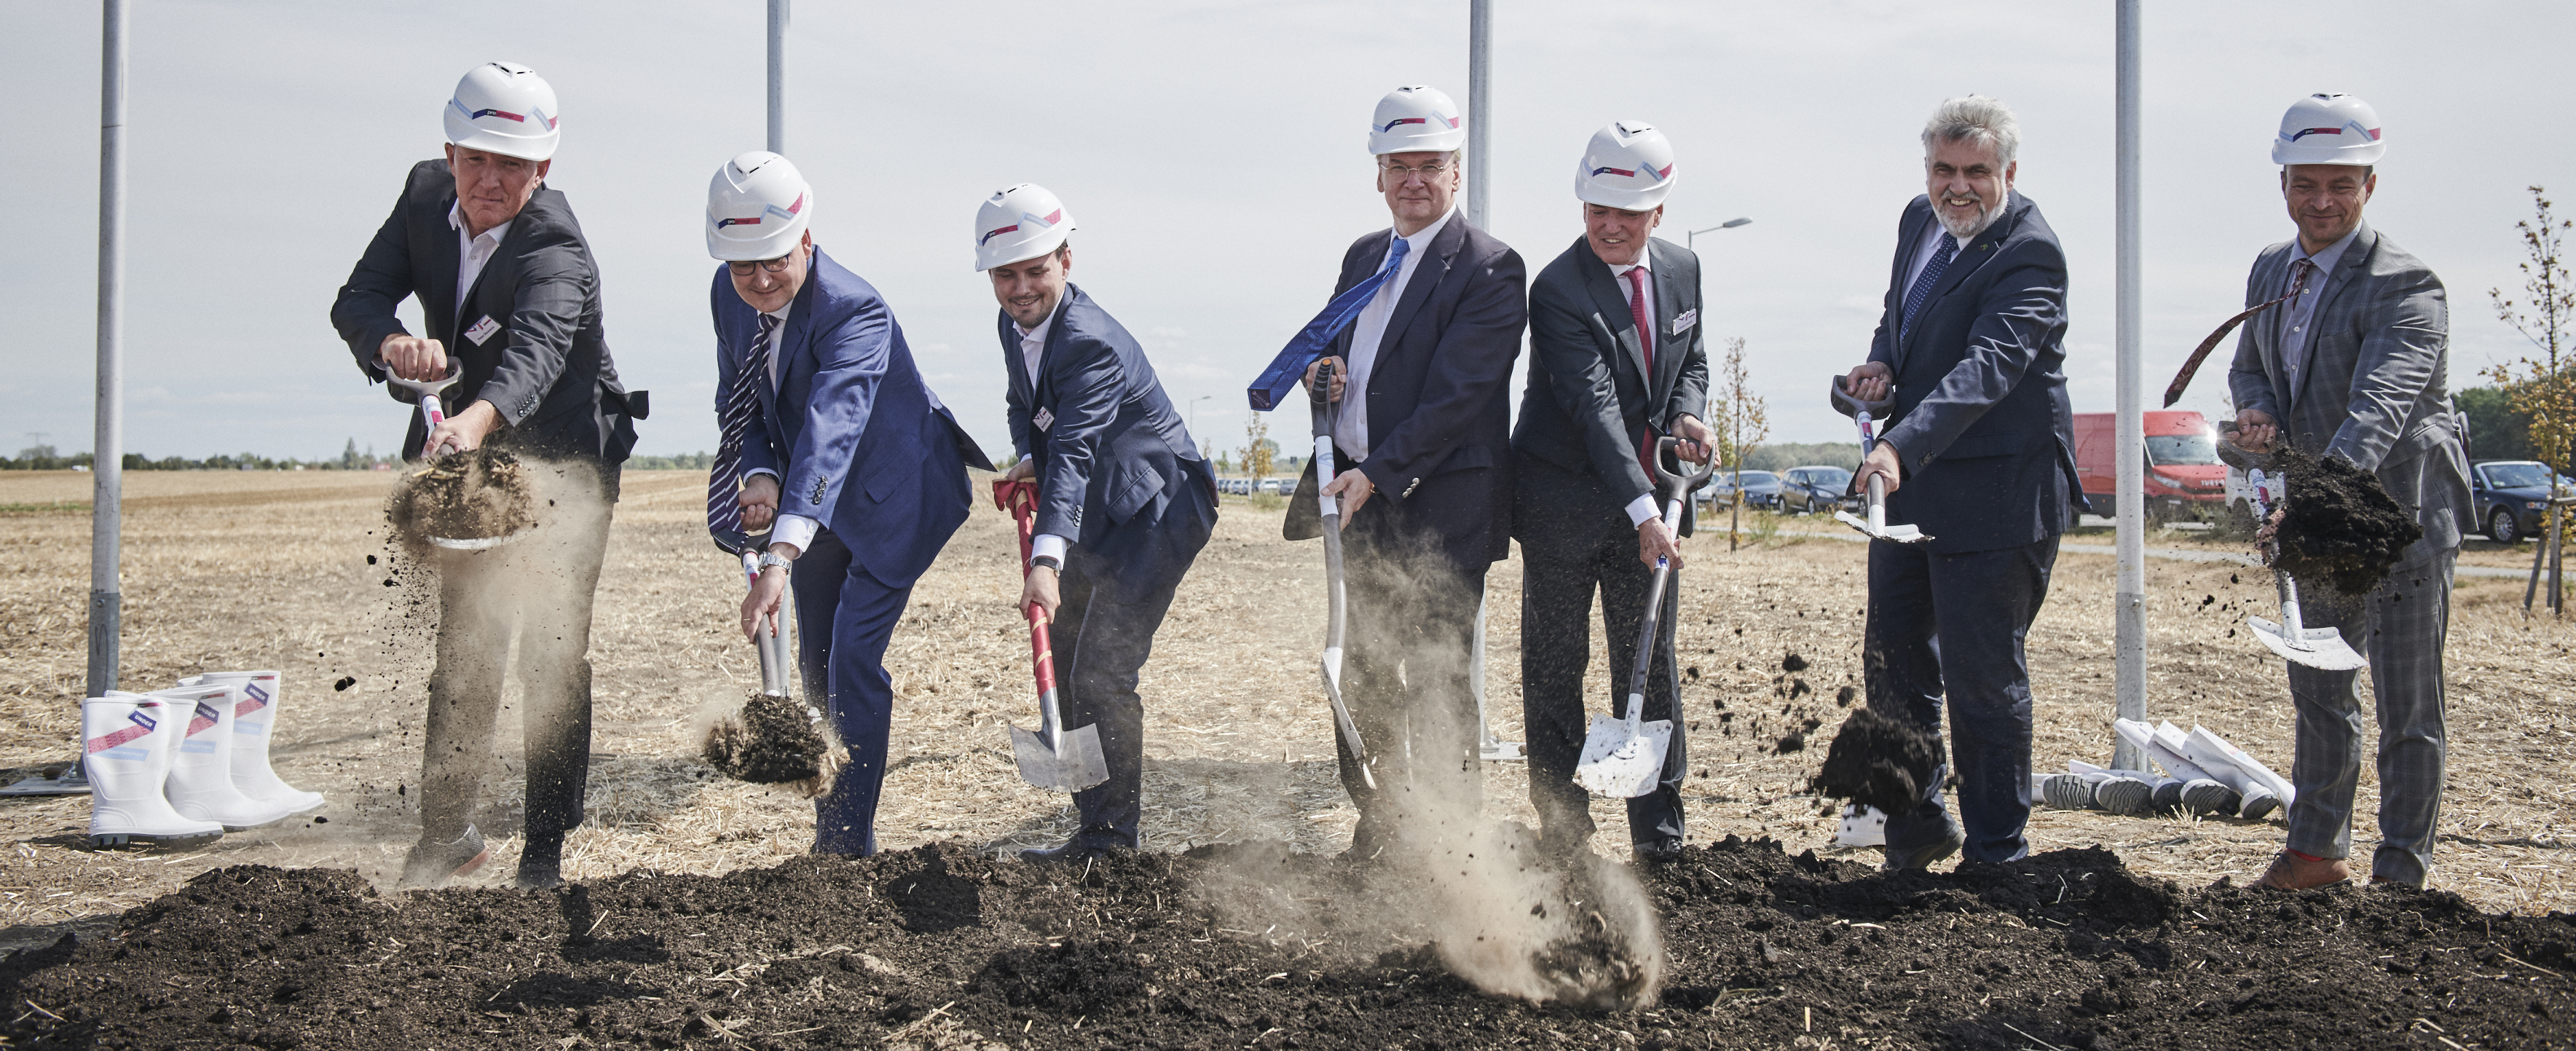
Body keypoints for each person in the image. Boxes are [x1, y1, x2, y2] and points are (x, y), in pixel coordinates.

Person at [331, 62, 644, 889]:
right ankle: (447, 836)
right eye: (477, 159)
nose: (491, 180)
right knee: (466, 646)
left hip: (565, 454)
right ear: (450, 151)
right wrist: (391, 344)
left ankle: (543, 853)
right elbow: (356, 301)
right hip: (467, 449)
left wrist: (473, 419)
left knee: (550, 651)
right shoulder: (422, 197)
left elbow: (536, 355)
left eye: (514, 166)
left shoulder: (557, 250)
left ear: (545, 170)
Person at [1250, 84, 1527, 857]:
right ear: (1377, 173)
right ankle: (1381, 822)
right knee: (1366, 667)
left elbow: (1456, 398)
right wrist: (1322, 376)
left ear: (1455, 172)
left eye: (1429, 165)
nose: (1413, 180)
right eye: (1397, 165)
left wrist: (1375, 470)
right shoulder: (1365, 256)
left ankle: (1451, 842)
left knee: (1438, 673)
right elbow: (1345, 352)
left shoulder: (1492, 270)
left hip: (1440, 505)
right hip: (1358, 502)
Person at [708, 151, 990, 857]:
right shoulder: (730, 293)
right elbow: (740, 403)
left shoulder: (854, 309)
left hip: (898, 496)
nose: (761, 280)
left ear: (805, 238)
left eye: (775, 259)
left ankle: (843, 849)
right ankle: (834, 831)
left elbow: (833, 429)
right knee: (815, 665)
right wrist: (762, 472)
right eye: (745, 266)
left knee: (852, 663)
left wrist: (780, 550)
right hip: (818, 501)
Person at [2225, 93, 2465, 890]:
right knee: (2322, 690)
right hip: (2314, 516)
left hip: (2401, 518)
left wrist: (2316, 501)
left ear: (2369, 185)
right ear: (2283, 181)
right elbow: (2252, 361)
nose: (2321, 203)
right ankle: (2316, 853)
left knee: (2407, 707)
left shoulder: (2406, 285)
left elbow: (2379, 411)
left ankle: (2400, 878)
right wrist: (2256, 408)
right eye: (2306, 185)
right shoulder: (2271, 266)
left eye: (2341, 185)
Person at [1840, 95, 2080, 870]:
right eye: (1944, 170)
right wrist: (1882, 365)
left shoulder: (2030, 256)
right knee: (1893, 662)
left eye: (1978, 172)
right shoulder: (1920, 220)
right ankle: (1913, 829)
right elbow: (1899, 316)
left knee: (1983, 680)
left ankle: (1997, 851)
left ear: (2010, 172)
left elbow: (1988, 371)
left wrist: (1900, 446)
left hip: (1998, 498)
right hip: (1912, 491)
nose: (1958, 188)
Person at [977, 184, 1217, 862]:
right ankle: (1092, 828)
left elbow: (1077, 452)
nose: (1021, 288)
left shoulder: (1090, 341)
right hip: (1102, 502)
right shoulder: (1015, 324)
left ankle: (1111, 845)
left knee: (1101, 670)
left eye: (1035, 270)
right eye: (1005, 274)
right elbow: (1026, 406)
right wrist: (1029, 456)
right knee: (1067, 647)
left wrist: (1045, 563)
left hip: (1161, 504)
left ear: (1066, 260)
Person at [1512, 121, 1712, 858]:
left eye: (1628, 214)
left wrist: (1690, 409)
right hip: (1563, 501)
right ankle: (1564, 831)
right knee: (1556, 665)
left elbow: (1691, 360)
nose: (1610, 226)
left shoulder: (1684, 271)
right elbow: (1594, 411)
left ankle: (1659, 834)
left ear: (1658, 211)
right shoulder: (1560, 289)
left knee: (1649, 657)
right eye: (1597, 209)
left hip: (1650, 504)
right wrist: (1644, 511)